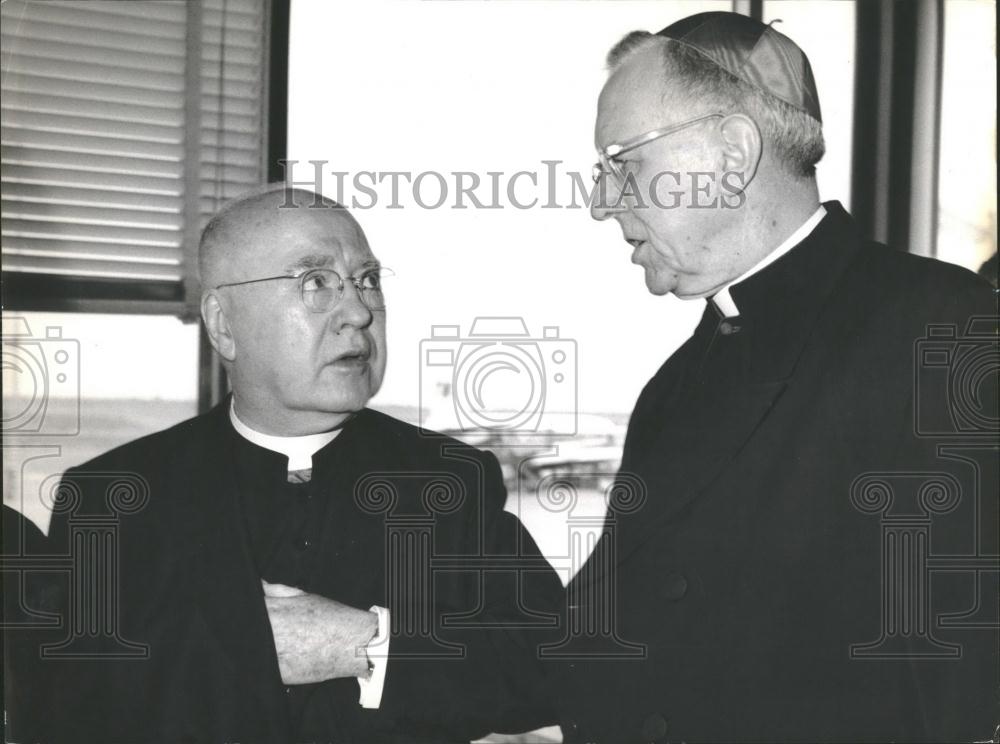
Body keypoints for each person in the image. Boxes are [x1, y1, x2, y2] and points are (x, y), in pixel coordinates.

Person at [552, 11, 998, 743]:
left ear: (732, 152)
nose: (601, 203)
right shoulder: (674, 387)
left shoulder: (945, 331)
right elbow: (600, 636)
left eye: (621, 161)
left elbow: (969, 687)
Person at [41, 185, 561, 743]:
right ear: (223, 324)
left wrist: (364, 642)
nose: (359, 312)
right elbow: (65, 709)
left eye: (367, 280)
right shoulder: (108, 499)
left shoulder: (451, 479)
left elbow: (556, 664)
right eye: (316, 282)